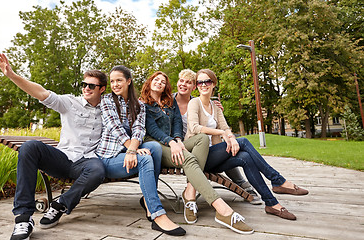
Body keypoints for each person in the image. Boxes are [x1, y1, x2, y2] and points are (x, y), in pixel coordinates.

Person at [0, 52, 107, 240]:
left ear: (102, 89)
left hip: (86, 161)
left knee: (97, 171)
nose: (86, 88)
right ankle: (23, 218)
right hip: (62, 159)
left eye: (91, 85)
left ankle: (60, 204)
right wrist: (12, 75)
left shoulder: (108, 108)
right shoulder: (70, 102)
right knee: (30, 147)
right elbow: (41, 92)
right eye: (84, 84)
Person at [186, 69, 309, 221]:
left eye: (207, 82)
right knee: (243, 141)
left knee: (245, 157)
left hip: (216, 158)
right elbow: (194, 128)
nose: (203, 85)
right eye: (200, 82)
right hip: (200, 159)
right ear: (196, 86)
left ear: (213, 85)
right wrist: (222, 134)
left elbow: (226, 128)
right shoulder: (194, 103)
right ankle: (277, 180)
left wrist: (229, 136)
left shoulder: (215, 106)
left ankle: (272, 203)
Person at [141, 71, 254, 234]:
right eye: (156, 79)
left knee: (201, 137)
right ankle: (222, 209)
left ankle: (190, 192)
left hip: (175, 143)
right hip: (156, 146)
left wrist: (178, 140)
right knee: (189, 160)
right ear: (149, 82)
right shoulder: (143, 104)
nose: (159, 82)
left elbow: (178, 122)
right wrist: (171, 142)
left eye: (163, 81)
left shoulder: (169, 101)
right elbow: (151, 129)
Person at [96, 65, 186, 236]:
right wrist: (132, 151)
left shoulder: (139, 104)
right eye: (112, 81)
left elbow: (139, 129)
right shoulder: (106, 100)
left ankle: (148, 200)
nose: (115, 84)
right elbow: (114, 127)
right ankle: (157, 214)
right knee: (145, 159)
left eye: (119, 80)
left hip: (128, 152)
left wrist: (132, 150)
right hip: (110, 157)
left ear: (128, 81)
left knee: (153, 147)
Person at [174, 69, 262, 205]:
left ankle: (246, 185)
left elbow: (216, 121)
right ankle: (265, 181)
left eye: (189, 82)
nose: (184, 84)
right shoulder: (169, 101)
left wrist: (216, 111)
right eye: (181, 81)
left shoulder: (201, 102)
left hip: (207, 144)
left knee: (232, 150)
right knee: (233, 145)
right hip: (187, 146)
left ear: (194, 87)